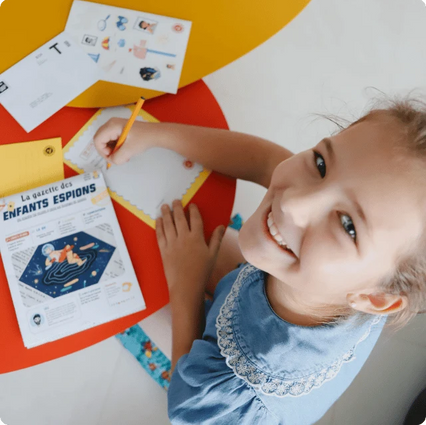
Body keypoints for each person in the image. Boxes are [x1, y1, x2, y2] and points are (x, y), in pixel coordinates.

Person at [93, 96, 426, 424]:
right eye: (321, 164)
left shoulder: (242, 395)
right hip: (265, 287)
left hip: (221, 364)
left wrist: (186, 287)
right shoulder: (369, 273)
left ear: (375, 299)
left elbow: (187, 397)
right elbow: (266, 161)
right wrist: (154, 134)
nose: (293, 202)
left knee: (126, 281)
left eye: (348, 225)